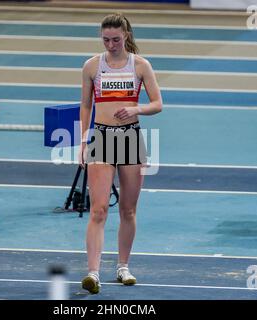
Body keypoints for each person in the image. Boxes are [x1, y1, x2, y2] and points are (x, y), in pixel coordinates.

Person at [78, 12, 162, 294]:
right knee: (98, 210)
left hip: (130, 138)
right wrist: (82, 140)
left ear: (126, 35)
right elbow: (86, 106)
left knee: (128, 209)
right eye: (105, 40)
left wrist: (136, 109)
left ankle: (123, 267)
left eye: (115, 39)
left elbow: (158, 103)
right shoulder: (92, 66)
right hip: (100, 137)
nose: (111, 45)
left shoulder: (140, 66)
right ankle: (93, 273)